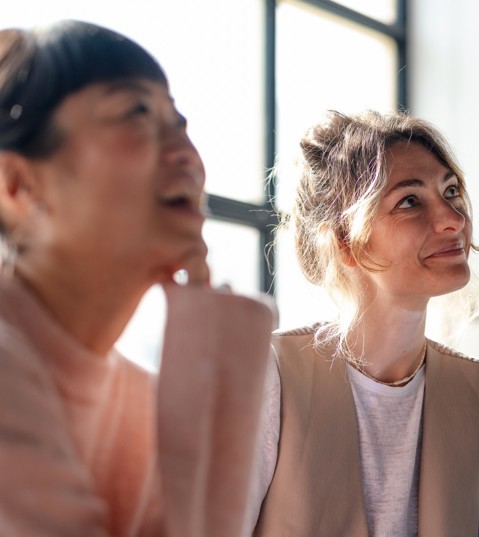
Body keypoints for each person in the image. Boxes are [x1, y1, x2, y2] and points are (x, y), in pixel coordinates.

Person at [0, 20, 275, 536]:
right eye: (137, 113)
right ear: (19, 185)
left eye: (180, 123)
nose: (188, 158)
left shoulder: (139, 400)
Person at [249, 110, 479, 536]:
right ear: (344, 242)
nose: (452, 218)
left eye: (451, 190)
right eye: (410, 201)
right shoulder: (269, 378)